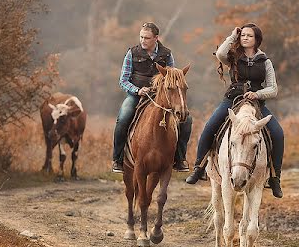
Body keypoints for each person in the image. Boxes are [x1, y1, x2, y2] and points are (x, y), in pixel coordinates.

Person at [185, 24, 285, 198]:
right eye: (243, 35)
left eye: (249, 36)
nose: (245, 38)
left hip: (256, 104)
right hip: (232, 100)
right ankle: (198, 168)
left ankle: (275, 178)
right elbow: (220, 54)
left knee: (278, 134)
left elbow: (273, 89)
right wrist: (232, 36)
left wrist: (257, 94)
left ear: (257, 39)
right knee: (210, 126)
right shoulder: (233, 56)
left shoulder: (265, 61)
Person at [111, 22, 192, 173]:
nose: (143, 40)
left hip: (161, 96)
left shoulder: (166, 54)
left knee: (187, 120)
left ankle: (180, 159)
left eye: (147, 38)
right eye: (141, 37)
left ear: (156, 38)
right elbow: (123, 80)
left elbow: (172, 77)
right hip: (137, 95)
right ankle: (118, 159)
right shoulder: (132, 53)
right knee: (123, 118)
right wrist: (137, 90)